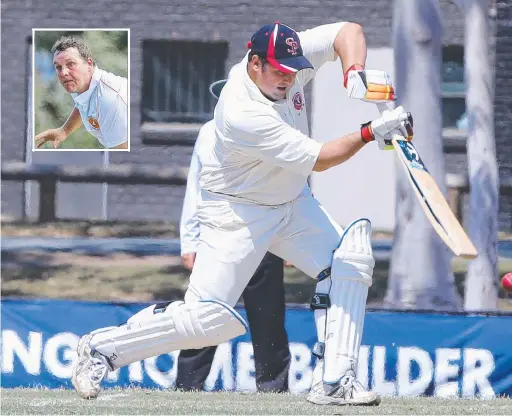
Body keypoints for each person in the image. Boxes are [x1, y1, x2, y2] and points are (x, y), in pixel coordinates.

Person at [71, 21, 412, 406]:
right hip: (237, 214)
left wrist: (354, 73)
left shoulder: (288, 59)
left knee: (349, 261)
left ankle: (335, 381)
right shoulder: (241, 111)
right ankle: (101, 348)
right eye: (280, 72)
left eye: (293, 70)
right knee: (207, 323)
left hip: (292, 203)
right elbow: (319, 160)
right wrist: (370, 132)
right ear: (255, 65)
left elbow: (347, 32)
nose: (289, 78)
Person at [175, 76, 290, 393]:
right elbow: (195, 187)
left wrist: (291, 241)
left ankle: (274, 390)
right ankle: (187, 388)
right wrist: (191, 240)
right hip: (220, 238)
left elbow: (292, 185)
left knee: (269, 322)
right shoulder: (210, 132)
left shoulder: (275, 131)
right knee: (204, 318)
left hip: (264, 239)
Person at [34, 36, 128, 150]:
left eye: (70, 64)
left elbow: (125, 156)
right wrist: (64, 130)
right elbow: (82, 104)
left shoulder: (109, 101)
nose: (63, 72)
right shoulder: (83, 85)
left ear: (89, 64)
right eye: (58, 67)